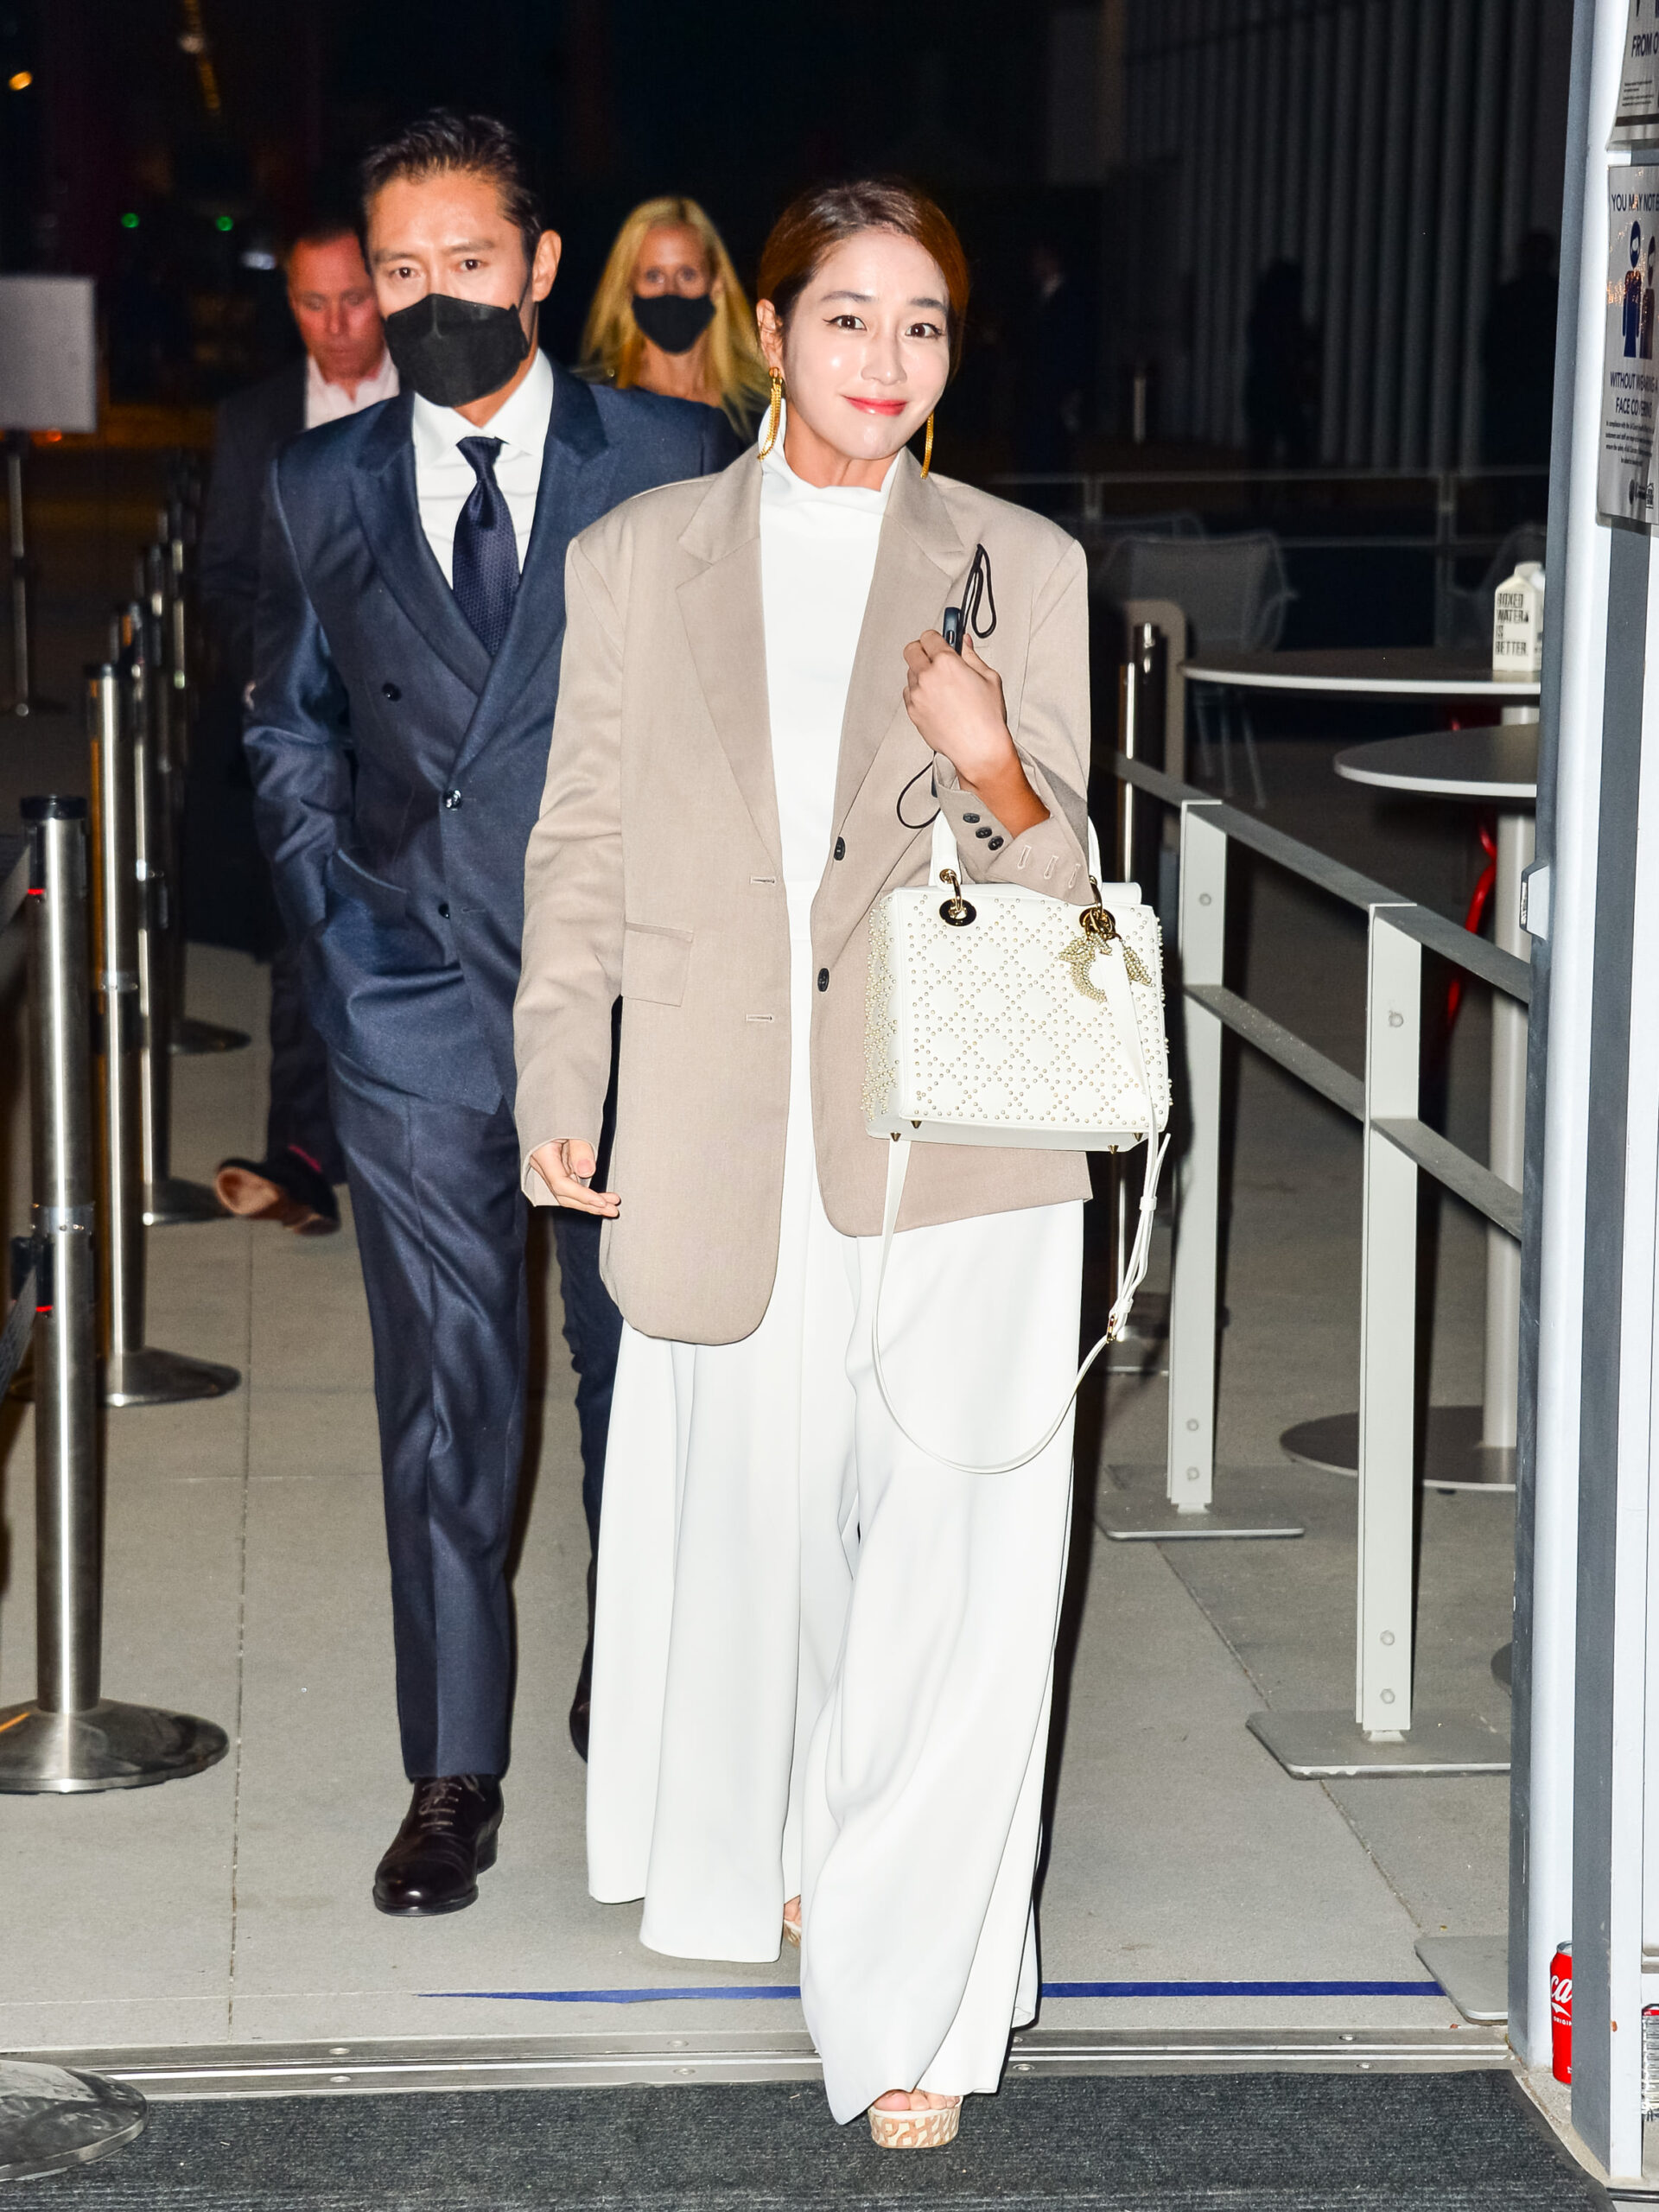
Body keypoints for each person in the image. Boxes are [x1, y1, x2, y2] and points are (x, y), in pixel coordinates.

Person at [515, 180, 1090, 2146]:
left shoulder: (1016, 563)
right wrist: (558, 1068)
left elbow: (1076, 880)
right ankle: (800, 1839)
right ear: (769, 333)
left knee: (954, 1563)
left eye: (923, 325)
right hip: (719, 1116)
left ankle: (916, 1991)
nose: (887, 363)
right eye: (848, 319)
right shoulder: (639, 554)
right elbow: (580, 840)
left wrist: (993, 752)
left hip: (956, 1127)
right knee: (772, 1523)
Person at [245, 111, 727, 1916]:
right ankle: (454, 1766)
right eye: (400, 272)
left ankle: (644, 1670)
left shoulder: (675, 452)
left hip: (632, 1004)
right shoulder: (326, 484)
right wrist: (339, 934)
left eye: (467, 262)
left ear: (538, 263)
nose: (431, 298)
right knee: (448, 1398)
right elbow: (294, 732)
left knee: (640, 1370)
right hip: (416, 1001)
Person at [197, 219, 397, 1233]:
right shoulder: (254, 421)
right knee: (300, 939)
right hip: (304, 734)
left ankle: (404, 1138)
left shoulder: (443, 401)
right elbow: (225, 574)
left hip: (422, 738)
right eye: (313, 303)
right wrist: (274, 678)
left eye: (353, 299)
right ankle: (303, 1156)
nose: (336, 325)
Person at [578, 194, 768, 453]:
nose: (671, 291)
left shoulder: (767, 411)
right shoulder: (593, 408)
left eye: (687, 275)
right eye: (654, 276)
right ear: (628, 288)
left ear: (716, 283)